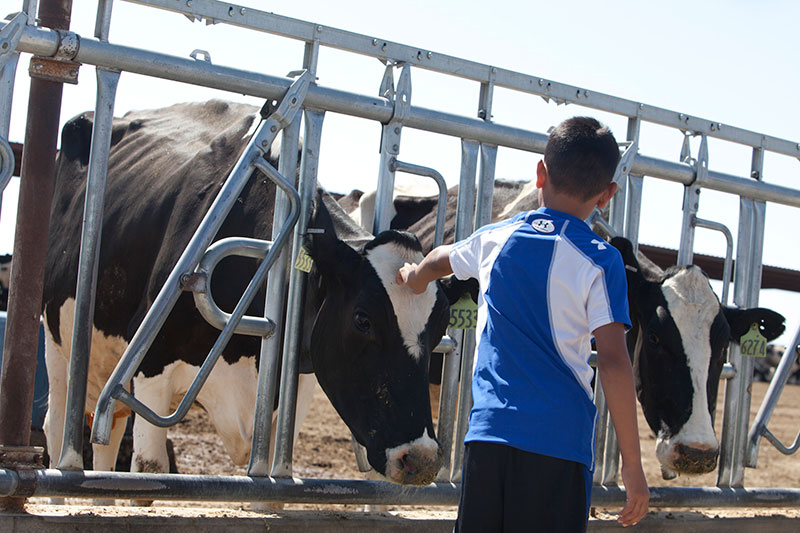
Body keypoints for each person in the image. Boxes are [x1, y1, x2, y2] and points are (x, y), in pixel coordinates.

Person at [397, 116, 649, 531]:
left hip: (490, 437)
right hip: (559, 445)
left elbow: (442, 259)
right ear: (607, 195)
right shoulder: (602, 261)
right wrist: (633, 465)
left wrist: (415, 277)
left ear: (539, 174)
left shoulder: (496, 238)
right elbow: (615, 362)